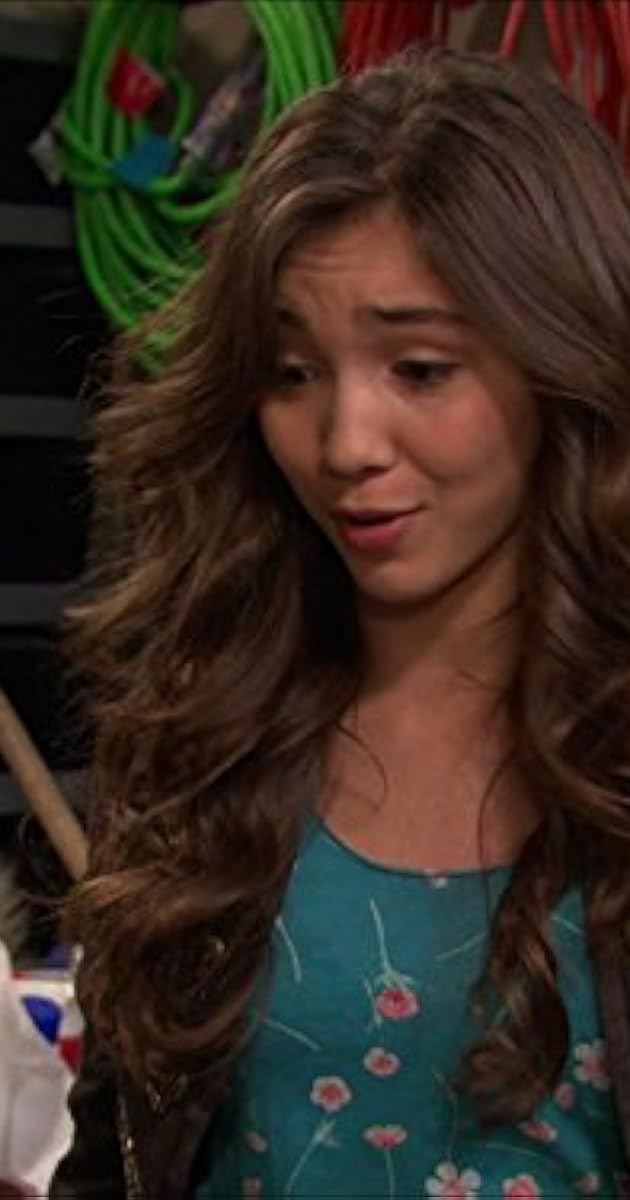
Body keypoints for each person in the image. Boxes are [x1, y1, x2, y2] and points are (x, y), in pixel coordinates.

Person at [50, 45, 630, 1200]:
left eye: (419, 368)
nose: (346, 443)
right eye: (292, 372)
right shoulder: (207, 733)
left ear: (560, 362)